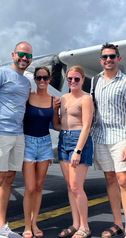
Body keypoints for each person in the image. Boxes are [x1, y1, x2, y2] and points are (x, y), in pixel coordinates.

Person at [0, 42, 33, 238]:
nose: (24, 58)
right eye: (21, 54)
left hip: (18, 134)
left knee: (9, 178)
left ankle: (0, 226)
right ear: (13, 54)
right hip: (0, 133)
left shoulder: (27, 83)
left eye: (28, 56)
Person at [90, 43, 126, 238]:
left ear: (118, 59)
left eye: (112, 56)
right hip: (101, 137)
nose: (108, 60)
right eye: (104, 57)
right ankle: (117, 223)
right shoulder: (94, 81)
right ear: (100, 60)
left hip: (120, 136)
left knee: (123, 180)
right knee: (110, 179)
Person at [22, 66, 61, 238]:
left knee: (38, 186)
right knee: (29, 188)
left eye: (45, 78)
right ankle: (26, 226)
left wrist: (78, 125)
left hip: (45, 144)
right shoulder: (27, 97)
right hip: (28, 143)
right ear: (35, 80)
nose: (42, 81)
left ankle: (34, 223)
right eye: (39, 78)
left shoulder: (54, 101)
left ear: (50, 79)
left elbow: (57, 124)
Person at [56, 66, 94, 238]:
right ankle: (75, 224)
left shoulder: (86, 99)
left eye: (76, 79)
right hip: (63, 139)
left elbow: (86, 126)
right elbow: (58, 124)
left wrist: (78, 151)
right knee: (70, 187)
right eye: (70, 79)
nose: (72, 81)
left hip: (78, 141)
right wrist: (51, 108)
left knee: (77, 187)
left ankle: (85, 226)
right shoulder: (64, 98)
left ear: (83, 80)